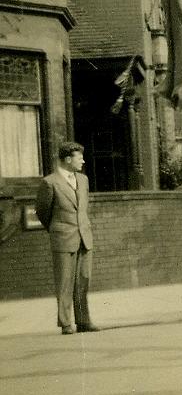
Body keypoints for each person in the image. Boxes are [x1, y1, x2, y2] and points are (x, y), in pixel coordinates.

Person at [35, 142, 99, 335]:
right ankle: (65, 323)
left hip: (84, 237)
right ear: (68, 159)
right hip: (63, 238)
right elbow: (43, 212)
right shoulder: (50, 182)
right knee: (64, 282)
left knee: (83, 280)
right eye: (79, 158)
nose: (83, 161)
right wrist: (58, 229)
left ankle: (84, 321)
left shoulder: (84, 179)